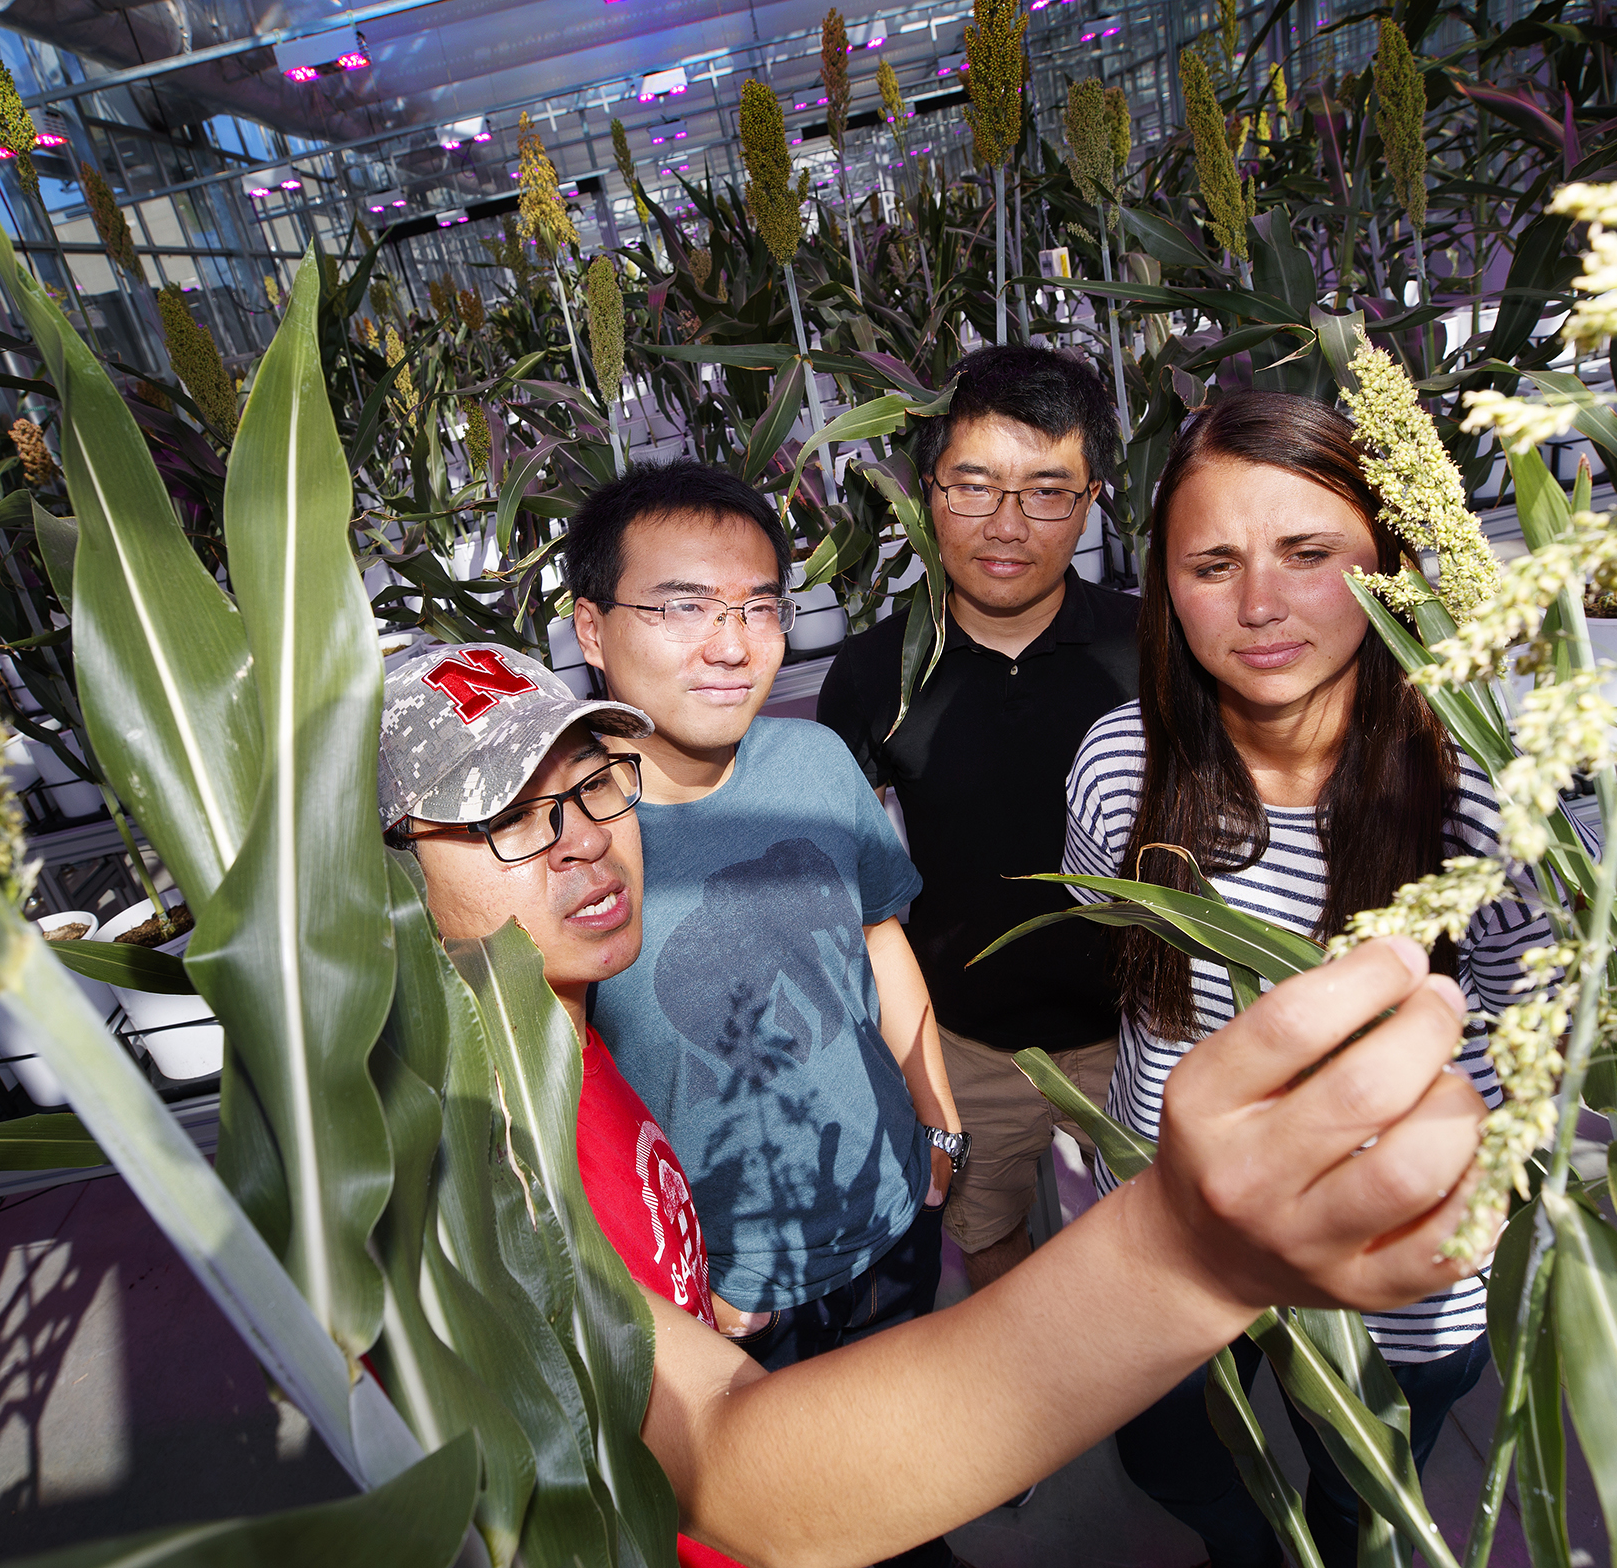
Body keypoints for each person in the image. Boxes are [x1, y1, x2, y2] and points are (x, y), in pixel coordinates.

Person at [378, 639, 1493, 1568]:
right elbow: (723, 1453)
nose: (581, 835)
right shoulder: (470, 1146)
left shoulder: (554, 1037)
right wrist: (1183, 1254)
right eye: (504, 820)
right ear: (371, 882)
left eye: (587, 783)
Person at [1062, 391, 1548, 1568]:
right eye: (1213, 563)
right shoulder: (1120, 764)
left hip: (1395, 1260)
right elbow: (1103, 925)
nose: (1261, 605)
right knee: (1167, 1451)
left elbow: (1528, 1016)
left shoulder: (1481, 785)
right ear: (1164, 590)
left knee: (1359, 1490)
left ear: (1387, 564)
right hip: (1175, 1225)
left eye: (1309, 553)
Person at [567, 464, 961, 1379]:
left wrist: (936, 1130)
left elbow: (878, 938)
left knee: (908, 1459)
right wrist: (673, 1278)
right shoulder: (567, 845)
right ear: (593, 627)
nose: (731, 645)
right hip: (731, 1297)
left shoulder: (816, 762)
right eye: (682, 607)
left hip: (894, 1214)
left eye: (757, 607)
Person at [817, 346, 1141, 1294]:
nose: (1007, 526)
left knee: (1152, 1237)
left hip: (1132, 1033)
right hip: (964, 1045)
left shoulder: (1148, 647)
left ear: (1089, 503)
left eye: (1047, 492)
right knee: (987, 1231)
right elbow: (851, 891)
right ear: (928, 492)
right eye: (974, 486)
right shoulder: (876, 673)